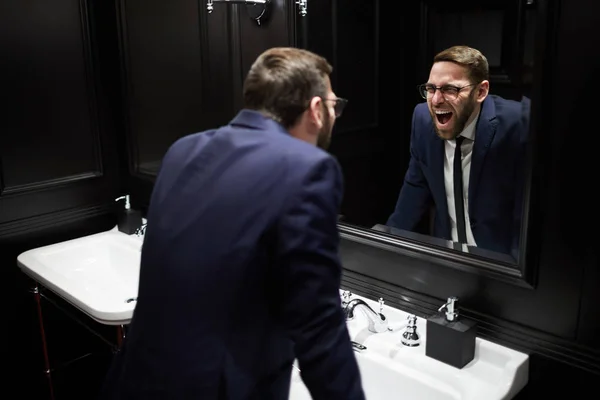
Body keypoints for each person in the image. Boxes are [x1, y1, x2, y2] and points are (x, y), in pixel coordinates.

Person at [98, 47, 365, 399]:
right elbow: (318, 326)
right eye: (334, 105)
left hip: (136, 381)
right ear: (316, 110)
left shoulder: (184, 150)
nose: (335, 114)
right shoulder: (308, 168)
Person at [386, 45, 530, 256]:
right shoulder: (423, 120)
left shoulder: (518, 124)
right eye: (431, 88)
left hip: (502, 264)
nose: (436, 100)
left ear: (481, 91)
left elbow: (526, 219)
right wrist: (382, 249)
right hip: (448, 260)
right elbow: (413, 194)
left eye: (450, 89)